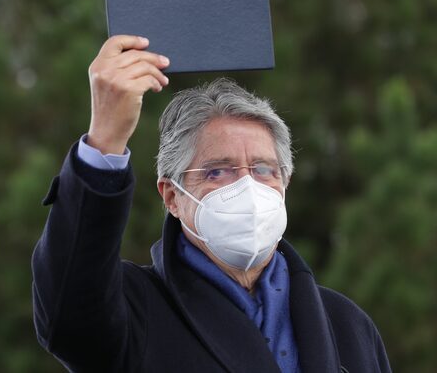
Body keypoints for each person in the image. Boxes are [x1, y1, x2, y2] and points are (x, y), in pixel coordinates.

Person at [31, 36, 391, 372]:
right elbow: (70, 314)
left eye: (263, 169)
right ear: (172, 196)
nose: (247, 186)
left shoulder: (348, 324)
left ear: (285, 183)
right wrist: (105, 138)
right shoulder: (135, 309)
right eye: (218, 172)